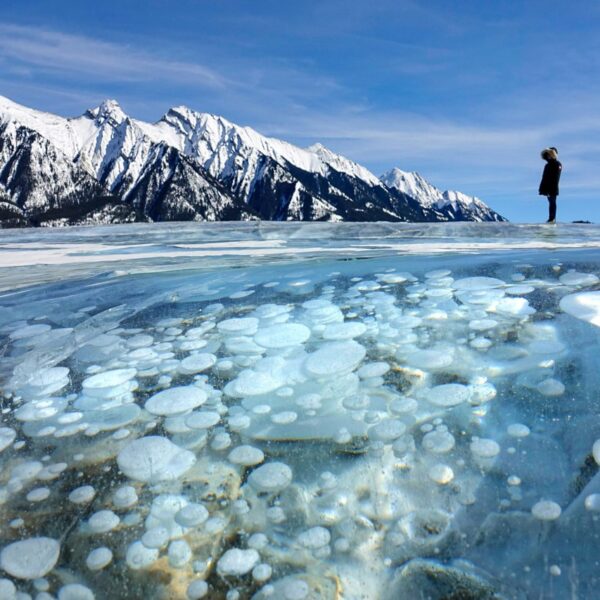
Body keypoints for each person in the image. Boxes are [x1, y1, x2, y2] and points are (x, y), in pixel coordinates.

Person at [538, 147, 562, 223]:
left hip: (553, 188)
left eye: (549, 154)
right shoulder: (547, 165)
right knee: (551, 202)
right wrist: (542, 188)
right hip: (547, 188)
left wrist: (550, 188)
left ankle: (552, 218)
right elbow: (544, 177)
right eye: (547, 155)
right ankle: (551, 218)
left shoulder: (557, 164)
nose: (548, 156)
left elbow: (556, 177)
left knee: (552, 202)